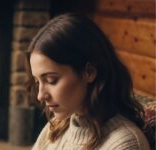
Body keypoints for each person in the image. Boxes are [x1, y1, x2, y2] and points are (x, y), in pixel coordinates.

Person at [26, 13, 150, 150]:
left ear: (89, 72)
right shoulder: (56, 127)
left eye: (51, 80)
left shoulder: (126, 144)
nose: (40, 96)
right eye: (38, 82)